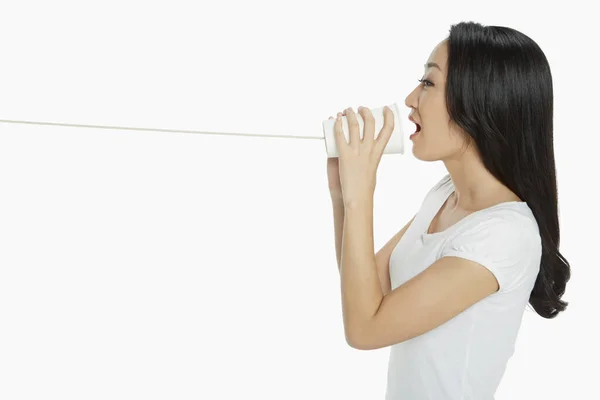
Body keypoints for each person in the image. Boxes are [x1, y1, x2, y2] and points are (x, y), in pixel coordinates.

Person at [327, 21, 570, 399]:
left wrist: (363, 193)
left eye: (428, 83)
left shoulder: (504, 235)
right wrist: (342, 194)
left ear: (478, 101)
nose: (410, 99)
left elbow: (363, 329)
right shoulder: (444, 194)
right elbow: (363, 288)